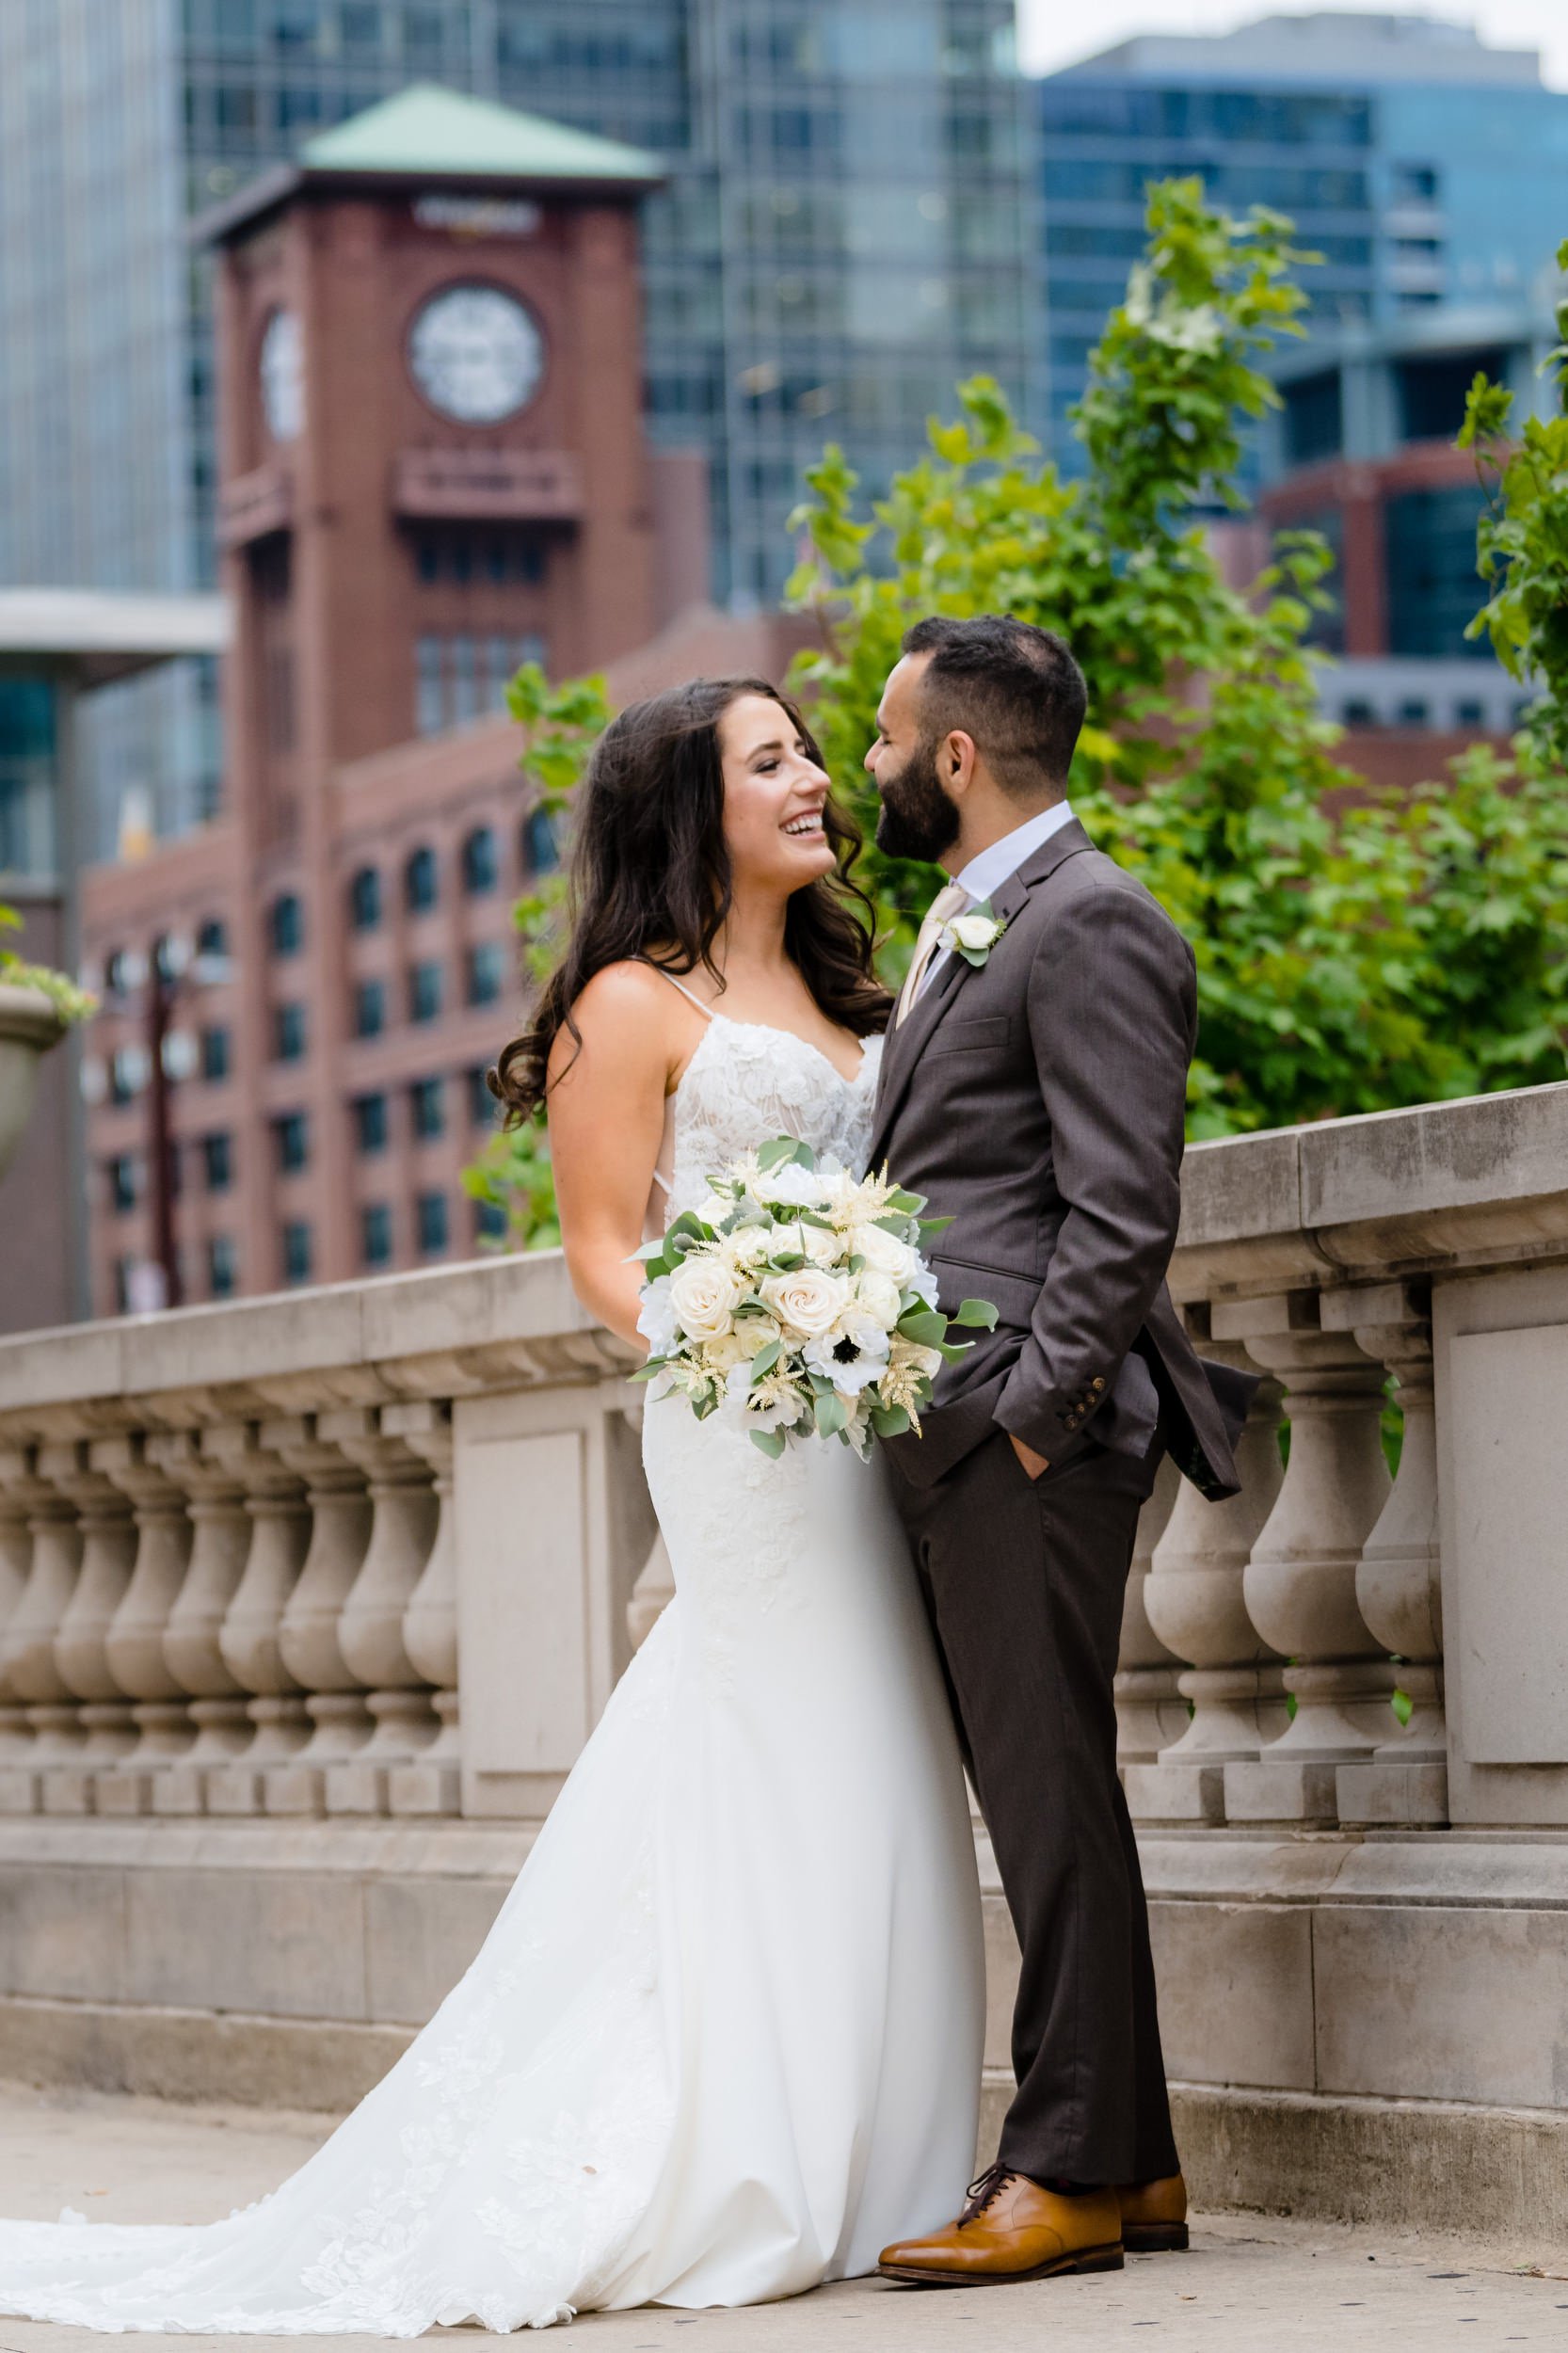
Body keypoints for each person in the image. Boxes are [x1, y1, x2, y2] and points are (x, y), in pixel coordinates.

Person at [0, 677, 985, 2334]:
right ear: (693, 808)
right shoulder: (627, 1001)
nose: (815, 780)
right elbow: (603, 1252)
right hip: (742, 1422)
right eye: (771, 762)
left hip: (873, 1413)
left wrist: (860, 1315)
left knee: (883, 1752)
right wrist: (748, 1313)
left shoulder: (851, 989)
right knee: (777, 1738)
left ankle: (874, 2152)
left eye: (811, 751)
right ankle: (743, 2159)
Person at [864, 614, 1254, 2288]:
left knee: (1045, 1796)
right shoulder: (984, 915)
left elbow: (1120, 1207)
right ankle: (1138, 2165)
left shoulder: (1091, 920)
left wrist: (1031, 1419)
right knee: (1048, 1794)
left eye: (883, 740)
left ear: (956, 757)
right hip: (963, 1422)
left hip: (1023, 1432)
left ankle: (1065, 2174)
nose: (868, 766)